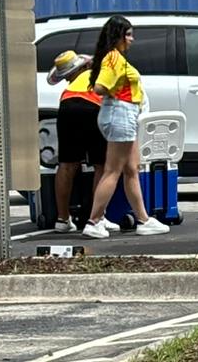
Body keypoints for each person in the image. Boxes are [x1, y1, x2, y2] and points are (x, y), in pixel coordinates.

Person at [82, 16, 169, 239]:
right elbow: (100, 87)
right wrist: (109, 87)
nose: (131, 39)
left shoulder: (111, 57)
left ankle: (143, 219)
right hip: (120, 113)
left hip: (124, 113)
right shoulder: (114, 58)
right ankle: (94, 221)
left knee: (132, 169)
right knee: (113, 170)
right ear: (118, 36)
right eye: (128, 34)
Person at [46, 50, 113, 235]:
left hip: (67, 107)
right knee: (102, 165)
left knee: (66, 164)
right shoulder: (97, 73)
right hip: (93, 107)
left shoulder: (70, 86)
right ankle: (97, 218)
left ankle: (62, 219)